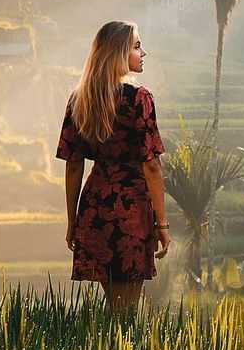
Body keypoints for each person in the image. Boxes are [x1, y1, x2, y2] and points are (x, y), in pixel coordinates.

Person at [55, 21, 170, 312]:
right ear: (120, 53)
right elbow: (152, 166)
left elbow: (73, 166)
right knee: (127, 310)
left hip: (95, 207)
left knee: (117, 305)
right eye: (137, 46)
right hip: (131, 206)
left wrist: (73, 221)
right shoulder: (139, 98)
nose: (143, 52)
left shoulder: (79, 99)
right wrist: (163, 224)